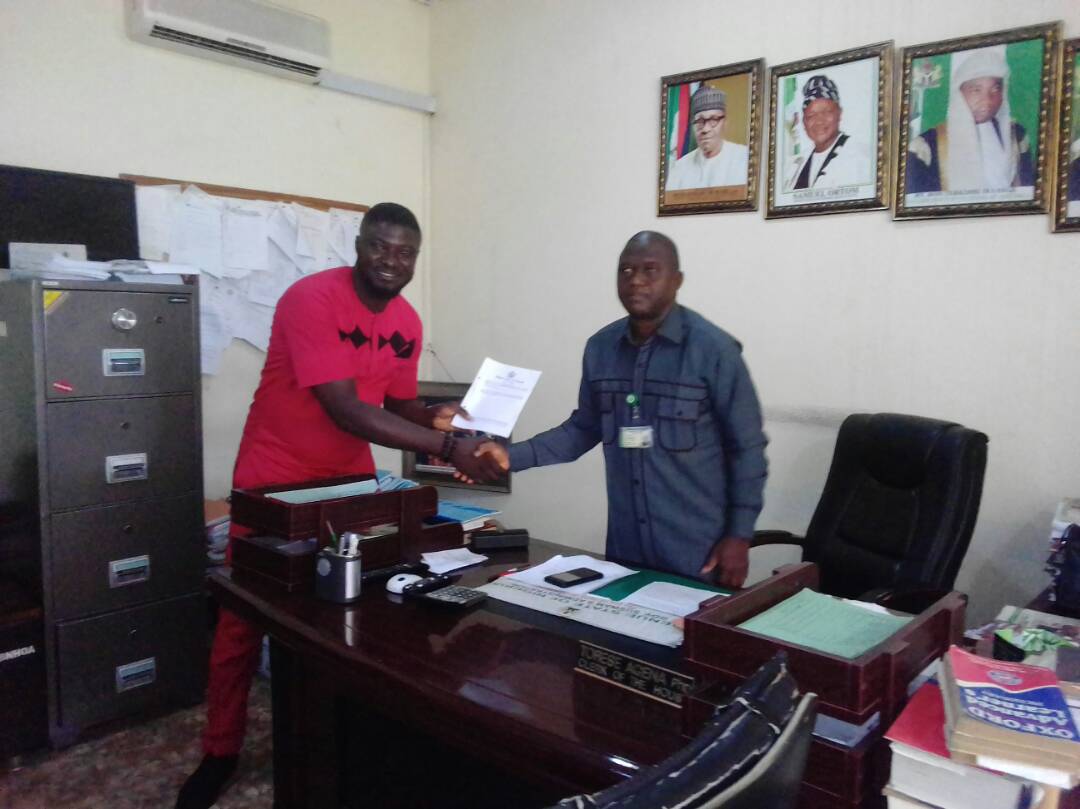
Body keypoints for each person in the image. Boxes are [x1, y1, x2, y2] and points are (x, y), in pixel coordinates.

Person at [175, 203, 498, 809]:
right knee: (246, 613)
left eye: (405, 252)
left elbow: (396, 404)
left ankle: (342, 732)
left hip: (350, 472)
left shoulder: (406, 320)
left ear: (414, 259)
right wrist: (450, 445)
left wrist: (437, 417)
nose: (391, 261)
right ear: (359, 244)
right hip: (276, 472)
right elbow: (345, 408)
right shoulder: (311, 300)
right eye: (381, 246)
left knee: (353, 600)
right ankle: (219, 750)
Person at [474, 232, 767, 588]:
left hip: (699, 551)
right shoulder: (600, 349)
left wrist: (740, 536)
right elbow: (583, 428)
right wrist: (510, 456)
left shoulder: (714, 351)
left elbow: (748, 450)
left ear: (676, 281)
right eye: (625, 270)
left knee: (692, 641)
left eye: (650, 270)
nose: (636, 280)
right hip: (627, 549)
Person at [907, 47, 1034, 194]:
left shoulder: (1018, 136)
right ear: (959, 94)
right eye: (976, 90)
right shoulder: (925, 147)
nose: (987, 100)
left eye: (995, 89)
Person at [786, 74, 872, 190]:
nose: (819, 121)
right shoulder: (795, 165)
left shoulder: (861, 158)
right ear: (804, 121)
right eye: (811, 115)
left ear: (839, 113)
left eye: (826, 112)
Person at [665, 85, 749, 190]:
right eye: (700, 121)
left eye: (713, 119)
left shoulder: (744, 159)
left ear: (725, 123)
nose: (705, 129)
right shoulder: (680, 167)